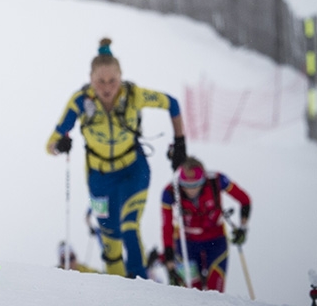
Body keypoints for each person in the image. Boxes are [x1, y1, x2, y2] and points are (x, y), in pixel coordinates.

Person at [46, 37, 187, 279]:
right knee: (110, 244)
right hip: (100, 179)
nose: (107, 87)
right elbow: (51, 145)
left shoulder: (134, 96)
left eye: (112, 80)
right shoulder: (80, 101)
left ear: (121, 77)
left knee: (129, 227)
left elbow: (171, 104)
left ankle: (140, 287)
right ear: (91, 79)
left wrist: (181, 142)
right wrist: (61, 144)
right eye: (100, 81)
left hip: (133, 170)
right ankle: (118, 292)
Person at [160, 157, 251, 292]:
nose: (191, 190)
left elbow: (244, 200)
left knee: (214, 294)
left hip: (215, 242)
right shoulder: (171, 192)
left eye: (196, 185)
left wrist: (242, 228)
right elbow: (167, 226)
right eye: (186, 186)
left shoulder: (217, 181)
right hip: (187, 244)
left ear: (204, 180)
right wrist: (169, 260)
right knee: (190, 294)